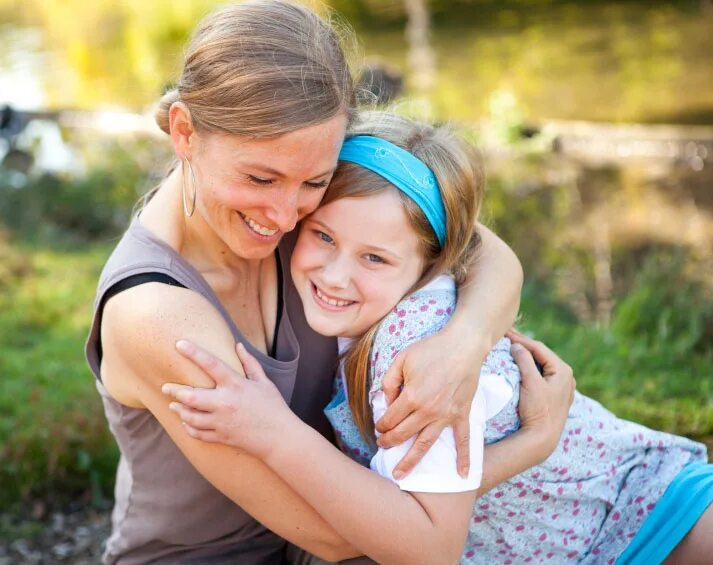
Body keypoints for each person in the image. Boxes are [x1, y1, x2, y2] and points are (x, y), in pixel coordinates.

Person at [84, 2, 571, 563]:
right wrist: (531, 444)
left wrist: (462, 344)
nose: (287, 215)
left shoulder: (314, 209)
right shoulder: (154, 313)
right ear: (185, 131)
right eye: (260, 178)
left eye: (313, 181)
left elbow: (484, 250)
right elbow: (340, 537)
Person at [163, 112, 713, 564]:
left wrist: (273, 432)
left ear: (433, 265)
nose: (334, 275)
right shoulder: (322, 254)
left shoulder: (413, 355)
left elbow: (428, 548)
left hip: (651, 514)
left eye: (374, 258)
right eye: (322, 236)